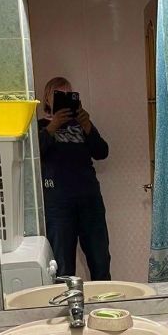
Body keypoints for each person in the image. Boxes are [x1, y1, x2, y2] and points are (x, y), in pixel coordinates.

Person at [38, 76, 111, 280]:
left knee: (100, 261)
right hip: (58, 203)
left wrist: (87, 125)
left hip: (90, 199)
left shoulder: (82, 124)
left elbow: (102, 152)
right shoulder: (41, 126)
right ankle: (66, 300)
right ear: (47, 98)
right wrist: (52, 126)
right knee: (62, 267)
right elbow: (34, 154)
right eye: (59, 94)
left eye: (69, 94)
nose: (65, 97)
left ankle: (103, 299)